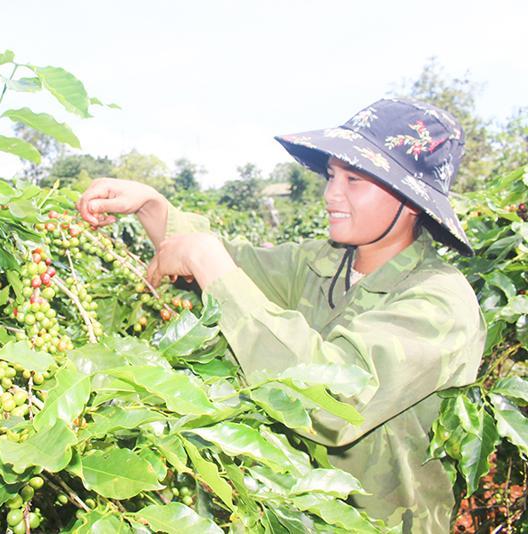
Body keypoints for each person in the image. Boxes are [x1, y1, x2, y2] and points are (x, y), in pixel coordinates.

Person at [76, 98, 486, 533]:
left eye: (355, 180)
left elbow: (335, 402)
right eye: (331, 176)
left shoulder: (440, 303)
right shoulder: (322, 261)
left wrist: (208, 259)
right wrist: (152, 208)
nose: (331, 194)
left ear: (412, 201)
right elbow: (230, 268)